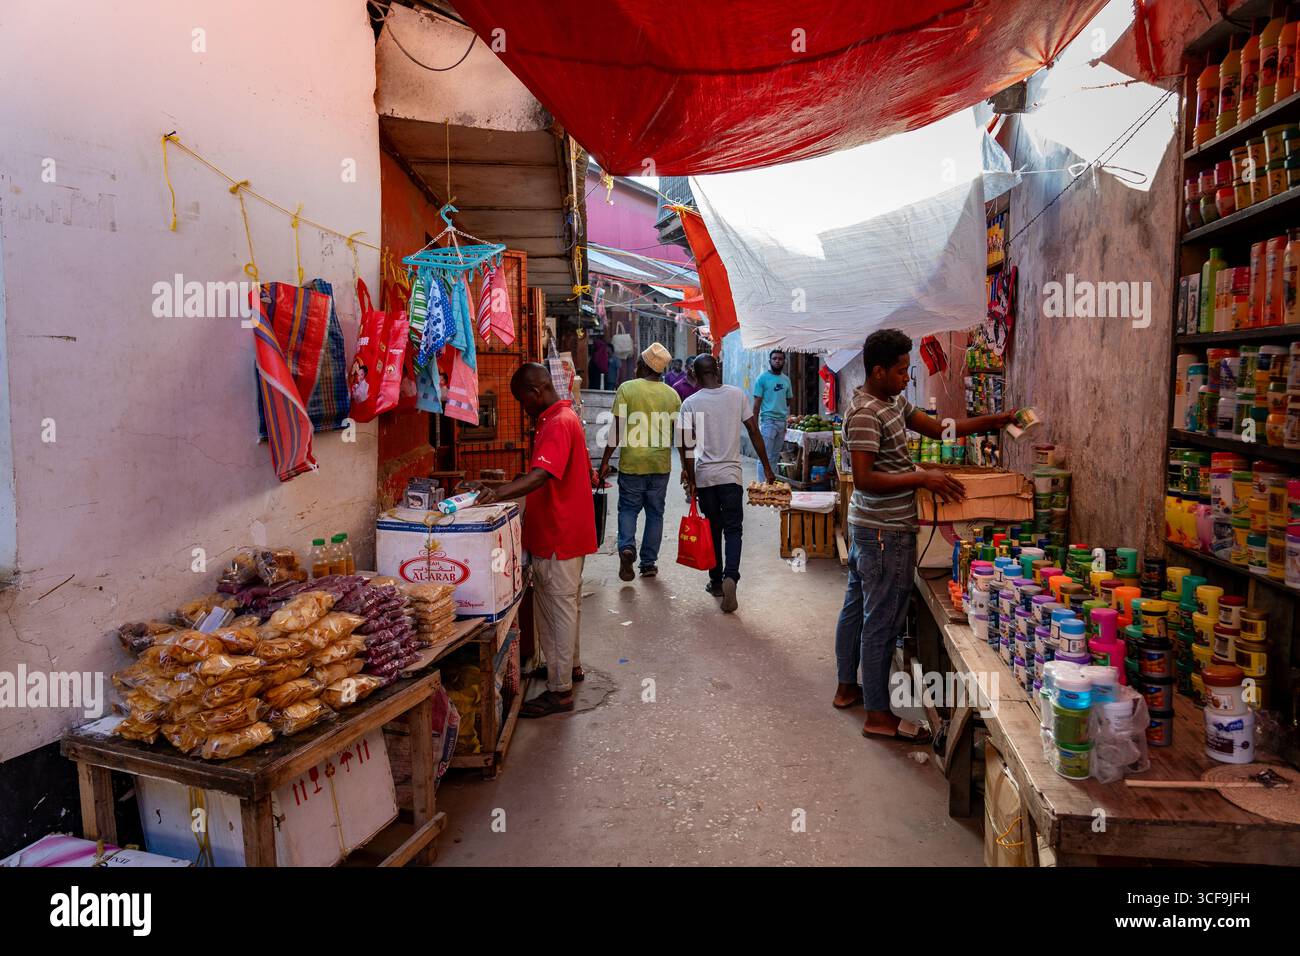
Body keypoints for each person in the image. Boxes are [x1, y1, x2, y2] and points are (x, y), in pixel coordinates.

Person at [833, 329, 1016, 740]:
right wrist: (922, 478)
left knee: (858, 607)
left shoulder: (894, 403)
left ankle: (848, 688)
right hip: (883, 531)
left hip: (872, 529)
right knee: (881, 621)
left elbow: (940, 430)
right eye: (900, 371)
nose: (905, 377)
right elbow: (863, 479)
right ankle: (878, 716)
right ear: (877, 371)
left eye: (907, 369)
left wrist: (994, 421)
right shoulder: (866, 413)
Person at [471, 363, 597, 718]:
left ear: (535, 391)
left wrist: (497, 495)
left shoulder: (557, 422)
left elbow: (541, 475)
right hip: (567, 531)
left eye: (522, 401)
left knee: (556, 610)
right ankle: (568, 669)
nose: (523, 408)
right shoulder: (563, 417)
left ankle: (559, 692)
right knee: (566, 607)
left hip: (559, 534)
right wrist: (502, 489)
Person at [675, 354, 775, 614]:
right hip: (731, 477)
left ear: (695, 376)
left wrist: (691, 478)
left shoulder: (690, 403)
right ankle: (731, 577)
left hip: (706, 477)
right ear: (717, 370)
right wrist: (766, 466)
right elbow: (754, 430)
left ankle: (716, 582)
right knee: (733, 530)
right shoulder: (737, 395)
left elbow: (684, 445)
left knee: (713, 529)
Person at [597, 343, 681, 581]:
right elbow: (683, 435)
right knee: (655, 513)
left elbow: (616, 429)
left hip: (632, 463)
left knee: (629, 509)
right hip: (660, 464)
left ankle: (626, 547)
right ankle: (648, 563)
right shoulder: (672, 394)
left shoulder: (627, 389)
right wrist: (687, 469)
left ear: (643, 365)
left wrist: (605, 461)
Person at [751, 350, 792, 483]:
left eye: (780, 358)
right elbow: (756, 404)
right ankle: (762, 486)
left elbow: (788, 400)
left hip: (781, 422)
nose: (777, 361)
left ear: (784, 361)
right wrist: (754, 425)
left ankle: (770, 483)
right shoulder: (762, 379)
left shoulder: (786, 380)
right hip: (768, 422)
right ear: (770, 361)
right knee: (765, 456)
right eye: (774, 358)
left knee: (775, 456)